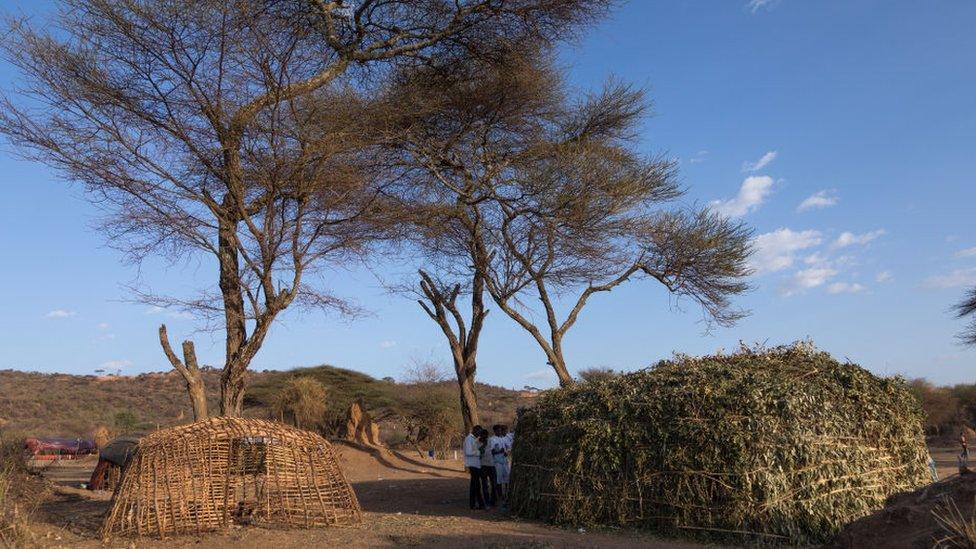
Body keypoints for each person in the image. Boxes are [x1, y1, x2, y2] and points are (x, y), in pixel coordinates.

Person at [463, 425, 484, 509]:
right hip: (472, 465)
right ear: (475, 431)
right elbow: (468, 452)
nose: (479, 434)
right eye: (479, 432)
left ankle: (475, 504)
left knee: (475, 485)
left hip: (476, 464)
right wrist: (479, 452)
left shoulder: (474, 439)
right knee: (476, 485)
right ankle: (477, 504)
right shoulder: (469, 439)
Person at [490, 425, 510, 504]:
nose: (500, 432)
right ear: (494, 431)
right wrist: (500, 451)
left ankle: (507, 493)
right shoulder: (492, 440)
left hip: (505, 461)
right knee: (498, 479)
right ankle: (500, 495)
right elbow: (492, 452)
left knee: (507, 478)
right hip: (497, 462)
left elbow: (508, 447)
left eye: (500, 430)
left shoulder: (503, 439)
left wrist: (506, 452)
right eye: (498, 431)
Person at [478, 428, 497, 508]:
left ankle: (493, 501)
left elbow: (494, 450)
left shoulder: (491, 441)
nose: (484, 438)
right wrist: (484, 445)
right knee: (485, 484)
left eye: (485, 436)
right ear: (480, 436)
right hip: (483, 466)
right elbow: (479, 454)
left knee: (494, 483)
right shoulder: (477, 443)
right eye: (482, 436)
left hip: (491, 465)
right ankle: (487, 501)